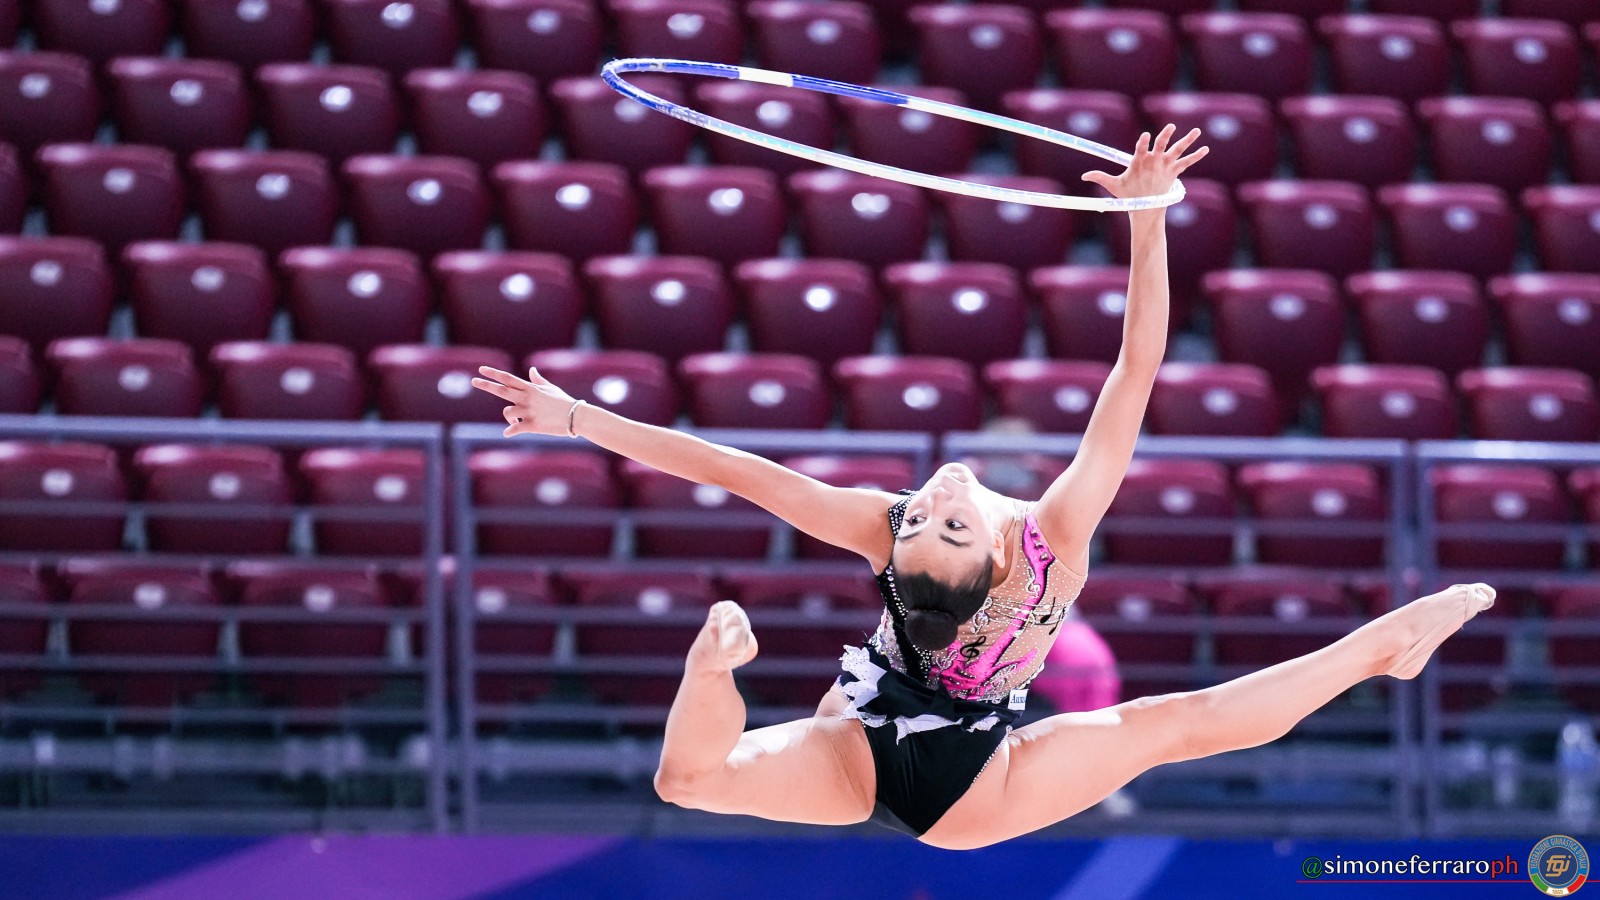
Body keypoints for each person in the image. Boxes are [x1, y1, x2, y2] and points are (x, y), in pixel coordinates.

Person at [470, 125, 1497, 850]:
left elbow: (733, 470)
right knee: (1177, 724)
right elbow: (1134, 372)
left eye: (922, 514)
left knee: (686, 779)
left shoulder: (897, 533)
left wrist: (577, 417)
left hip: (902, 747)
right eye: (946, 521)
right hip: (942, 774)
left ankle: (1388, 648)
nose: (939, 495)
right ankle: (1379, 650)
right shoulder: (1053, 533)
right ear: (994, 555)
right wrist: (1148, 224)